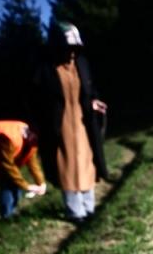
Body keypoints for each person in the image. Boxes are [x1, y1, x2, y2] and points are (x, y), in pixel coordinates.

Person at [33, 21, 108, 223]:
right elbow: (35, 100)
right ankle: (75, 211)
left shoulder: (82, 64)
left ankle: (89, 207)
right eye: (68, 49)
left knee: (86, 163)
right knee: (67, 165)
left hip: (83, 123)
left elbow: (91, 89)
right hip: (60, 125)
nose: (72, 53)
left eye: (75, 49)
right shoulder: (45, 69)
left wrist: (94, 102)